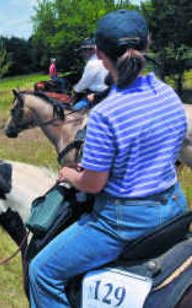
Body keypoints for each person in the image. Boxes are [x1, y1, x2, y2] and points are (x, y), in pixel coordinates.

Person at [29, 10, 188, 307]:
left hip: (125, 222)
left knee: (41, 271)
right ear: (148, 45)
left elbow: (92, 184)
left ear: (100, 56)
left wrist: (69, 174)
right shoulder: (168, 94)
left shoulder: (105, 113)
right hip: (175, 205)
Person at [72, 37, 109, 111]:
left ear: (90, 50)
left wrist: (75, 89)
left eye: (83, 51)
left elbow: (85, 82)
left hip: (96, 95)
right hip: (108, 93)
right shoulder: (106, 59)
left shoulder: (92, 63)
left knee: (74, 110)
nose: (82, 54)